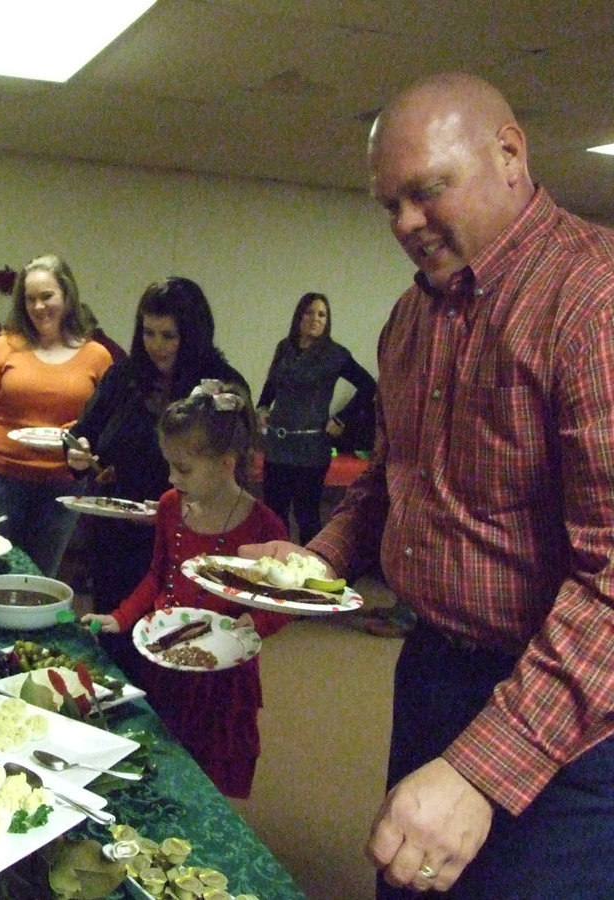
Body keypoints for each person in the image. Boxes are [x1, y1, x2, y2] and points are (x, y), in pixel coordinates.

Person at [242, 72, 614, 898]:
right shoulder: (410, 319)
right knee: (412, 880)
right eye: (390, 205)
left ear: (510, 153)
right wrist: (316, 560)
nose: (406, 224)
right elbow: (391, 479)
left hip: (574, 710)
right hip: (435, 670)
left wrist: (483, 769)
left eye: (426, 192)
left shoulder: (594, 302)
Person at [81, 383, 288, 797]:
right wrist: (121, 617)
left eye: (184, 469)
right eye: (170, 467)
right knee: (161, 764)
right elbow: (158, 576)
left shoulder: (265, 528)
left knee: (211, 782)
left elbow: (282, 602)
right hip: (167, 659)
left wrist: (254, 623)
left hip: (224, 677)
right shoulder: (171, 505)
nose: (173, 478)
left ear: (227, 464)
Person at [66, 277, 249, 669]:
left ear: (193, 335)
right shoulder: (124, 377)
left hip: (189, 539)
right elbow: (83, 433)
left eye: (169, 335)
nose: (156, 345)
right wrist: (78, 451)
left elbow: (233, 475)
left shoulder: (222, 388)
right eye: (148, 333)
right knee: (116, 645)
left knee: (176, 650)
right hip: (117, 538)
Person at [0, 253, 112, 577]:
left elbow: (105, 427)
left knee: (38, 582)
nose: (38, 307)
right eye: (29, 299)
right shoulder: (3, 347)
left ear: (67, 296)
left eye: (47, 296)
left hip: (62, 487)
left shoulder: (97, 356)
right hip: (0, 483)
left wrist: (82, 437)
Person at [256, 291, 376, 544]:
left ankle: (309, 564)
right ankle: (274, 562)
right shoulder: (284, 348)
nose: (315, 319)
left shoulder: (335, 354)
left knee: (306, 516)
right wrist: (263, 406)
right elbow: (272, 383)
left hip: (311, 450)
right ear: (299, 316)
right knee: (273, 514)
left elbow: (369, 386)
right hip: (278, 446)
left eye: (322, 314)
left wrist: (342, 419)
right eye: (309, 312)